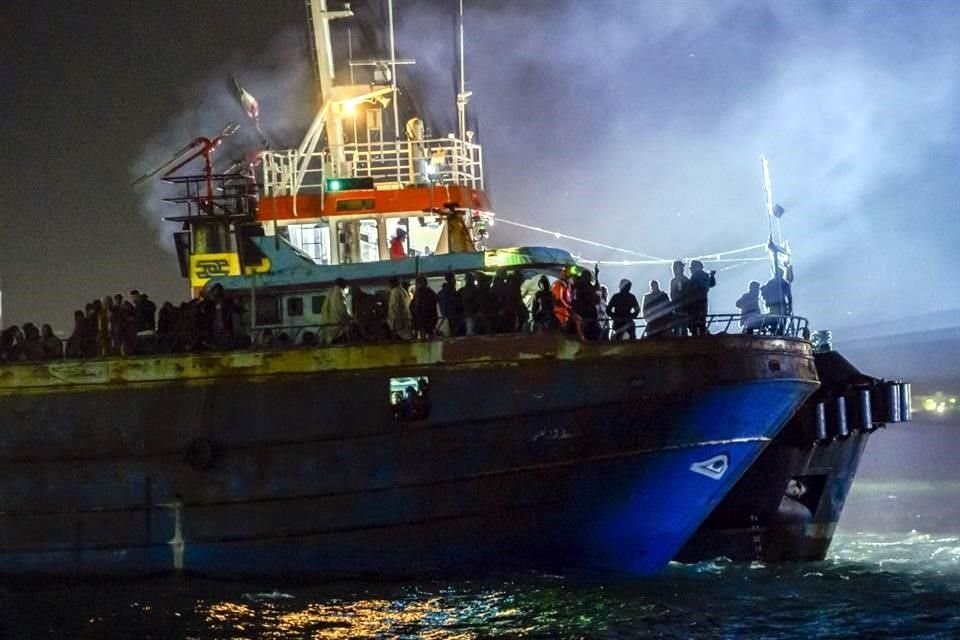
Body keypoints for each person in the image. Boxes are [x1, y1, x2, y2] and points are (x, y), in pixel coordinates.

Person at [318, 278, 353, 344]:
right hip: (337, 328)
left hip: (326, 327)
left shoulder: (329, 292)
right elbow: (341, 309)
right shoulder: (339, 292)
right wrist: (349, 318)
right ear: (343, 284)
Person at [687, 260, 716, 336]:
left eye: (692, 268)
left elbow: (693, 288)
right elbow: (711, 284)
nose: (691, 270)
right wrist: (712, 276)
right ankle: (702, 334)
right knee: (700, 321)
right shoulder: (704, 276)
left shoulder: (697, 276)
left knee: (696, 322)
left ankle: (699, 336)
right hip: (701, 302)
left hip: (697, 303)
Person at [437, 272, 463, 337]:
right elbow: (458, 305)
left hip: (446, 318)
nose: (455, 281)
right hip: (454, 317)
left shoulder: (441, 293)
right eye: (453, 279)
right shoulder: (453, 293)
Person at [669, 260, 690, 336]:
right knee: (679, 326)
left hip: (682, 307)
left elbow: (680, 293)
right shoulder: (675, 280)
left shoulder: (682, 280)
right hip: (678, 308)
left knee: (682, 326)